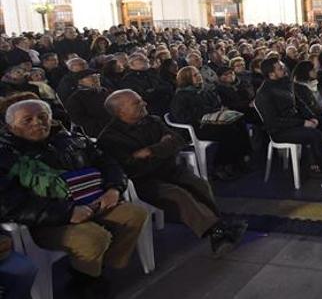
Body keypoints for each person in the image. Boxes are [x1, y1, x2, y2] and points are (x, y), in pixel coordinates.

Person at [0, 99, 148, 297]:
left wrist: (114, 188)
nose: (38, 123)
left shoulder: (69, 139)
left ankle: (93, 272)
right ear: (10, 126)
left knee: (135, 214)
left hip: (92, 202)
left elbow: (108, 162)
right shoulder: (6, 156)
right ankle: (88, 280)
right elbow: (8, 204)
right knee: (94, 238)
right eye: (27, 120)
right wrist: (67, 212)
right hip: (46, 220)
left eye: (43, 117)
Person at [98, 90, 247, 256]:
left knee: (199, 184)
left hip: (169, 170)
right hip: (143, 181)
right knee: (178, 195)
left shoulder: (152, 121)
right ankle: (217, 232)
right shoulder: (110, 138)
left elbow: (178, 140)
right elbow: (133, 168)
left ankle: (217, 225)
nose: (144, 104)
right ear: (121, 112)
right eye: (137, 103)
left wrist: (150, 151)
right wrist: (164, 148)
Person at [254, 58, 322, 194]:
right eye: (280, 68)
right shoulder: (264, 93)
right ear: (271, 74)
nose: (284, 69)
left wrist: (312, 117)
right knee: (314, 135)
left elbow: (300, 104)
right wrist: (302, 123)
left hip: (297, 121)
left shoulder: (286, 83)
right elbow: (273, 122)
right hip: (281, 131)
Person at [169, 66, 251, 180]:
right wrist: (205, 115)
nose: (199, 77)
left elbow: (215, 105)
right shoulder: (181, 96)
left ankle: (239, 158)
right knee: (227, 131)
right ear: (187, 79)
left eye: (198, 74)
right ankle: (219, 165)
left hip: (212, 121)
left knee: (239, 123)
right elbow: (181, 117)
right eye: (195, 75)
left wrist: (219, 111)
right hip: (197, 127)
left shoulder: (204, 90)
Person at [64, 69, 112, 138]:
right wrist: (102, 124)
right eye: (91, 77)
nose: (96, 79)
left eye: (97, 76)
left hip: (112, 126)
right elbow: (79, 120)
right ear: (80, 81)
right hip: (97, 131)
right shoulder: (76, 98)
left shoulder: (103, 91)